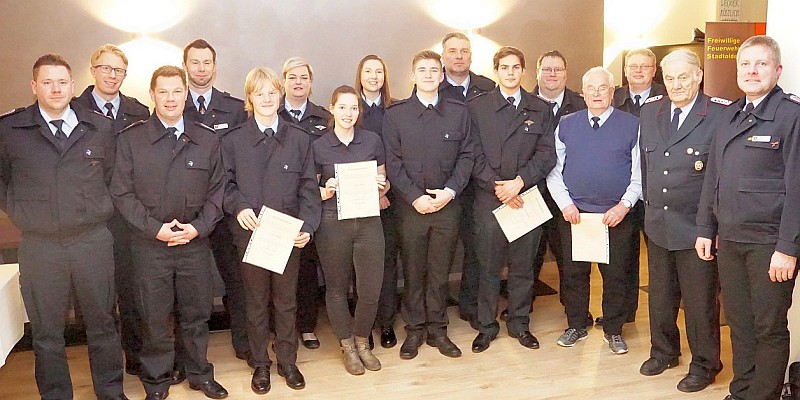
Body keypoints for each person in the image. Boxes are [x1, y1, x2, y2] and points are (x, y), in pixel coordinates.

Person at [0, 53, 127, 400]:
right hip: (40, 247)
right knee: (46, 332)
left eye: (62, 82)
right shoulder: (9, 130)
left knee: (103, 324)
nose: (55, 89)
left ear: (73, 86)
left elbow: (114, 178)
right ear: (34, 86)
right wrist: (21, 211)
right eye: (47, 82)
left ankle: (111, 392)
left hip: (92, 242)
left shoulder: (99, 127)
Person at [110, 65, 227, 400]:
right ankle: (157, 382)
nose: (171, 98)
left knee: (196, 315)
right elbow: (122, 194)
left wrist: (197, 228)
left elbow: (217, 192)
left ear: (186, 93)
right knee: (154, 318)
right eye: (163, 91)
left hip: (194, 243)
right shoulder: (132, 140)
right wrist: (156, 230)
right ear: (152, 95)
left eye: (177, 91)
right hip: (150, 246)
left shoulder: (207, 138)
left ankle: (200, 375)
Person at [696, 35, 800, 400]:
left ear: (777, 70)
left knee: (768, 326)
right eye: (745, 64)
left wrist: (788, 248)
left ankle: (764, 395)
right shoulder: (730, 114)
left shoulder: (792, 115)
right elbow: (714, 177)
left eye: (761, 64)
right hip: (731, 239)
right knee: (739, 323)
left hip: (770, 244)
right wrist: (706, 228)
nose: (752, 71)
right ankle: (742, 391)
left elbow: (798, 187)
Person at [221, 67, 320, 394]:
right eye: (259, 93)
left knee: (286, 301)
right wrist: (239, 207)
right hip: (250, 235)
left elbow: (309, 187)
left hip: (288, 235)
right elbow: (226, 185)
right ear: (250, 98)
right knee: (256, 302)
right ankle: (261, 364)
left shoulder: (299, 139)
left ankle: (288, 362)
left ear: (280, 96)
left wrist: (307, 226)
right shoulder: (233, 141)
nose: (266, 98)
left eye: (272, 92)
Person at [638, 49, 723, 393]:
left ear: (698, 76)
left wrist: (710, 227)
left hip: (696, 228)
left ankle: (705, 364)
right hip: (658, 223)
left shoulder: (718, 115)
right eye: (669, 78)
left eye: (683, 77)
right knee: (660, 296)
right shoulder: (650, 111)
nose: (676, 84)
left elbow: (717, 178)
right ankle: (664, 351)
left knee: (700, 302)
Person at [383, 50, 474, 360]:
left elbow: (467, 156)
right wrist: (415, 197)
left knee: (439, 272)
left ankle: (438, 329)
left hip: (447, 207)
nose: (428, 75)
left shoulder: (459, 113)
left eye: (434, 70)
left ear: (441, 75)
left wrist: (449, 192)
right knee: (412, 271)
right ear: (412, 76)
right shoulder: (395, 115)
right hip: (411, 209)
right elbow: (392, 163)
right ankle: (415, 330)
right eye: (422, 70)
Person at [546, 66, 641, 355]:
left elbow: (640, 173)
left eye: (603, 88)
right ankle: (576, 324)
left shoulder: (633, 125)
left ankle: (613, 329)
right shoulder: (566, 124)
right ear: (582, 93)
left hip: (616, 216)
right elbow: (553, 171)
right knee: (574, 274)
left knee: (616, 276)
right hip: (576, 215)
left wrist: (624, 205)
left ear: (613, 92)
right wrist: (565, 204)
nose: (597, 93)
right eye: (591, 88)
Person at [468, 46, 555, 353]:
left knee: (523, 268)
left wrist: (519, 183)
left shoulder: (540, 108)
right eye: (504, 67)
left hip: (526, 198)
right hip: (490, 201)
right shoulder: (477, 107)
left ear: (523, 70)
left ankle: (519, 323)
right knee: (487, 268)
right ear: (496, 71)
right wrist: (500, 187)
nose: (510, 72)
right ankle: (486, 326)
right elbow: (473, 154)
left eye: (515, 67)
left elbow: (547, 155)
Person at [72, 43, 150, 377]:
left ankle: (134, 355)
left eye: (118, 70)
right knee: (93, 296)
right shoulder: (73, 109)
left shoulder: (139, 111)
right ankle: (102, 367)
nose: (112, 75)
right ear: (92, 70)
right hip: (89, 218)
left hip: (129, 217)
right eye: (105, 68)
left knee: (132, 290)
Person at [181, 39, 249, 370]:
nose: (201, 68)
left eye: (207, 62)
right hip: (189, 210)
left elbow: (240, 161)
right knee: (187, 288)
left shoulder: (234, 108)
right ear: (186, 66)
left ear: (215, 65)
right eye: (195, 62)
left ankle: (244, 343)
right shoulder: (176, 104)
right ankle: (187, 357)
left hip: (226, 211)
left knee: (237, 281)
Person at [313, 85, 388, 375]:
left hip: (369, 221)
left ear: (359, 112)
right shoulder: (319, 145)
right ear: (332, 109)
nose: (348, 113)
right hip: (333, 223)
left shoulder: (372, 140)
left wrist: (382, 185)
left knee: (370, 289)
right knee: (336, 289)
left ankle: (362, 342)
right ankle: (347, 346)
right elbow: (311, 190)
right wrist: (325, 190)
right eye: (342, 107)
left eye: (354, 108)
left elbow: (384, 179)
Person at [602, 48, 667, 327]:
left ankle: (660, 320)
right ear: (625, 71)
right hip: (624, 191)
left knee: (658, 261)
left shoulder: (668, 97)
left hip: (658, 189)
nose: (638, 71)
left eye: (645, 66)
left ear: (654, 70)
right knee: (623, 258)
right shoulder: (613, 98)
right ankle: (623, 313)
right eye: (632, 66)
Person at [438, 31, 495, 330]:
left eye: (464, 51)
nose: (458, 56)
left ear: (471, 56)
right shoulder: (433, 87)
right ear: (443, 56)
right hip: (445, 183)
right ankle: (434, 308)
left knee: (477, 248)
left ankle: (470, 305)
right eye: (452, 51)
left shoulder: (488, 87)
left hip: (479, 184)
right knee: (441, 250)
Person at [277, 56, 331, 350]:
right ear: (283, 82)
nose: (298, 83)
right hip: (280, 204)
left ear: (311, 83)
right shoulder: (272, 114)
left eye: (304, 78)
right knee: (278, 268)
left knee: (308, 268)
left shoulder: (323, 118)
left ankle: (307, 326)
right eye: (292, 77)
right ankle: (281, 330)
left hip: (313, 202)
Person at [530, 50, 587, 304]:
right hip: (531, 193)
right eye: (547, 69)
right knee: (528, 256)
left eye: (558, 70)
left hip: (568, 195)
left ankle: (574, 311)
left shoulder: (583, 105)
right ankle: (522, 308)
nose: (552, 74)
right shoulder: (523, 104)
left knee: (570, 257)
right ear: (537, 72)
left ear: (565, 73)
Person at [355, 54, 400, 348]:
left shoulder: (395, 110)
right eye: (368, 71)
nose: (374, 76)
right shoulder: (349, 108)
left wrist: (384, 191)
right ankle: (363, 326)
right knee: (358, 265)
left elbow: (400, 155)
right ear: (359, 75)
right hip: (357, 200)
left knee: (386, 263)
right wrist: (370, 195)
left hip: (389, 200)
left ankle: (386, 322)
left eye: (379, 72)